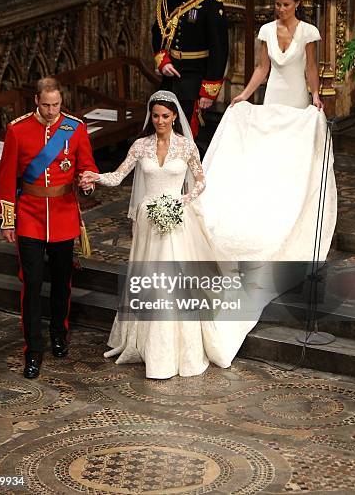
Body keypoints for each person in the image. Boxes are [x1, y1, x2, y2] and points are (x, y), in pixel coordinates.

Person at [80, 91, 244, 379]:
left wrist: (182, 200)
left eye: (165, 116)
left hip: (177, 219)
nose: (160, 121)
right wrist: (96, 176)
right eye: (155, 116)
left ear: (173, 117)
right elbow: (118, 176)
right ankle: (146, 343)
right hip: (148, 221)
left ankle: (179, 349)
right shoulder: (141, 146)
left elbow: (201, 181)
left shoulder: (185, 146)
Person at [201, 0, 337, 263]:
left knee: (291, 151)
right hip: (273, 96)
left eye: (286, 5)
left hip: (296, 97)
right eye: (277, 4)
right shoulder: (266, 30)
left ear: (297, 5)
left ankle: (292, 200)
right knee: (269, 149)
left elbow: (310, 67)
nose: (281, 10)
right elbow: (263, 68)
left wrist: (315, 95)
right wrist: (245, 94)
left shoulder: (308, 32)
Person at [0, 77, 98, 379]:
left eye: (57, 105)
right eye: (47, 105)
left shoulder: (75, 127)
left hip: (63, 214)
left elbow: (87, 166)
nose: (53, 110)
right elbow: (6, 178)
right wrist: (8, 220)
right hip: (29, 216)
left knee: (61, 281)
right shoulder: (18, 130)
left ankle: (59, 333)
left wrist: (88, 183)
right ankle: (33, 350)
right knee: (31, 285)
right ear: (36, 102)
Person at [151, 0, 229, 136]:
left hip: (195, 76)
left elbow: (220, 50)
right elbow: (157, 31)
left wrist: (209, 90)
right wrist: (163, 61)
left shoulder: (211, 3)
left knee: (188, 130)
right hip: (170, 75)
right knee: (165, 127)